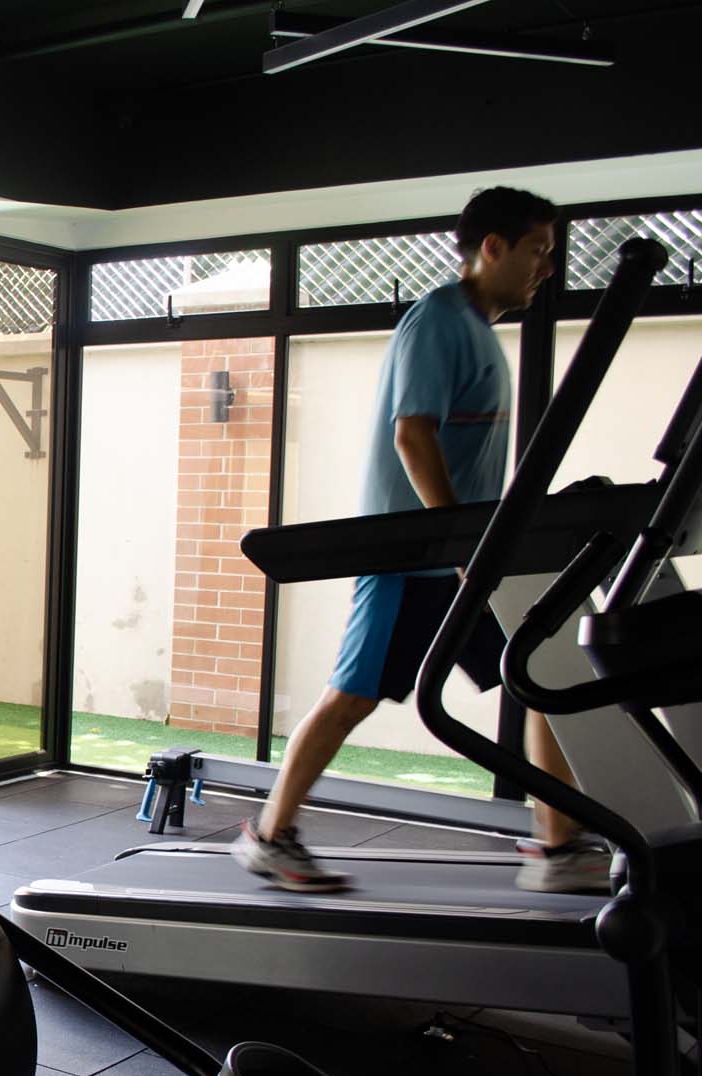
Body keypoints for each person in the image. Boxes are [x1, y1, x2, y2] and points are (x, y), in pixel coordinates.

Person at [232, 186, 610, 895]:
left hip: (465, 561)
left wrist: (475, 547)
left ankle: (557, 845)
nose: (547, 267)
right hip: (413, 561)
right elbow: (412, 435)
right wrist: (461, 541)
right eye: (538, 250)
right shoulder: (437, 320)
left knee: (542, 676)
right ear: (492, 247)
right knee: (353, 696)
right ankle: (269, 836)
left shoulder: (477, 330)